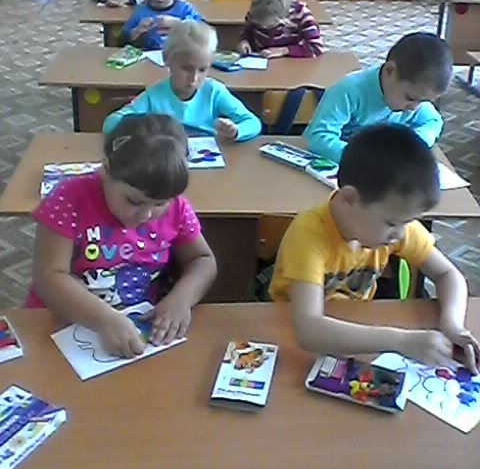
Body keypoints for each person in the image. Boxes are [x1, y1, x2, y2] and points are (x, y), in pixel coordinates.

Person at [269, 124, 479, 373]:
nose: (401, 234)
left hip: (358, 327)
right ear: (349, 199)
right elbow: (308, 330)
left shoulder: (392, 220)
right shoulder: (309, 234)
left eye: (408, 222)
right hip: (286, 332)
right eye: (392, 223)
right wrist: (400, 341)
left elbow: (448, 274)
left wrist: (452, 324)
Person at [27, 114, 217, 358]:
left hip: (136, 324)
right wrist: (102, 318)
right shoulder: (69, 199)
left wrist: (182, 299)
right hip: (61, 323)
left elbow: (203, 260)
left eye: (160, 203)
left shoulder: (177, 208)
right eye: (133, 201)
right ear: (105, 171)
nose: (146, 214)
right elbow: (48, 277)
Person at [304, 32, 453, 163]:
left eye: (423, 101)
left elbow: (433, 121)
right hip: (345, 168)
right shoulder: (348, 91)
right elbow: (317, 138)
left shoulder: (413, 97)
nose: (414, 108)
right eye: (410, 98)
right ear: (390, 71)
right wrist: (369, 159)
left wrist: (414, 144)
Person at [104, 21, 262, 141]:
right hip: (168, 162)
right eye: (186, 68)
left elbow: (253, 122)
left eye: (202, 70)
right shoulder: (154, 96)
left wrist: (236, 131)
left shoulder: (214, 91)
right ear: (166, 59)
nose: (194, 79)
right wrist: (145, 126)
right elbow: (111, 123)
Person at [237, 0, 324, 59]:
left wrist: (284, 50)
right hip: (260, 59)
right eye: (259, 24)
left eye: (271, 25)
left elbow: (316, 47)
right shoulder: (256, 12)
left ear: (284, 18)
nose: (264, 27)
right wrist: (244, 42)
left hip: (291, 61)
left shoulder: (300, 13)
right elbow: (247, 33)